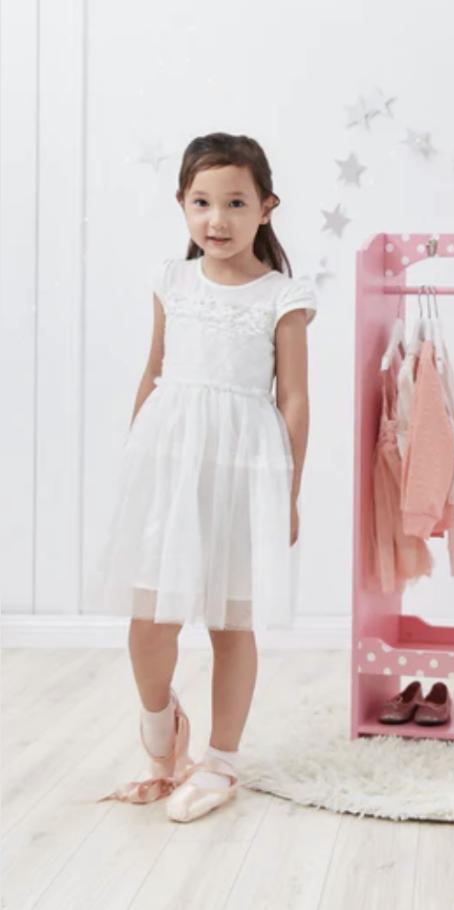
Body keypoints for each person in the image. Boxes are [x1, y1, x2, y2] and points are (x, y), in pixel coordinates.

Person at [88, 132, 319, 822]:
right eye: (202, 203)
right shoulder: (172, 281)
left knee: (230, 621)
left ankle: (221, 761)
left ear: (266, 208)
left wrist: (290, 492)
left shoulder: (283, 296)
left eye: (235, 202)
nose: (217, 219)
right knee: (150, 619)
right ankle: (162, 741)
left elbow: (296, 401)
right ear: (183, 206)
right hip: (168, 462)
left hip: (242, 470)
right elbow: (154, 371)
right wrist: (137, 464)